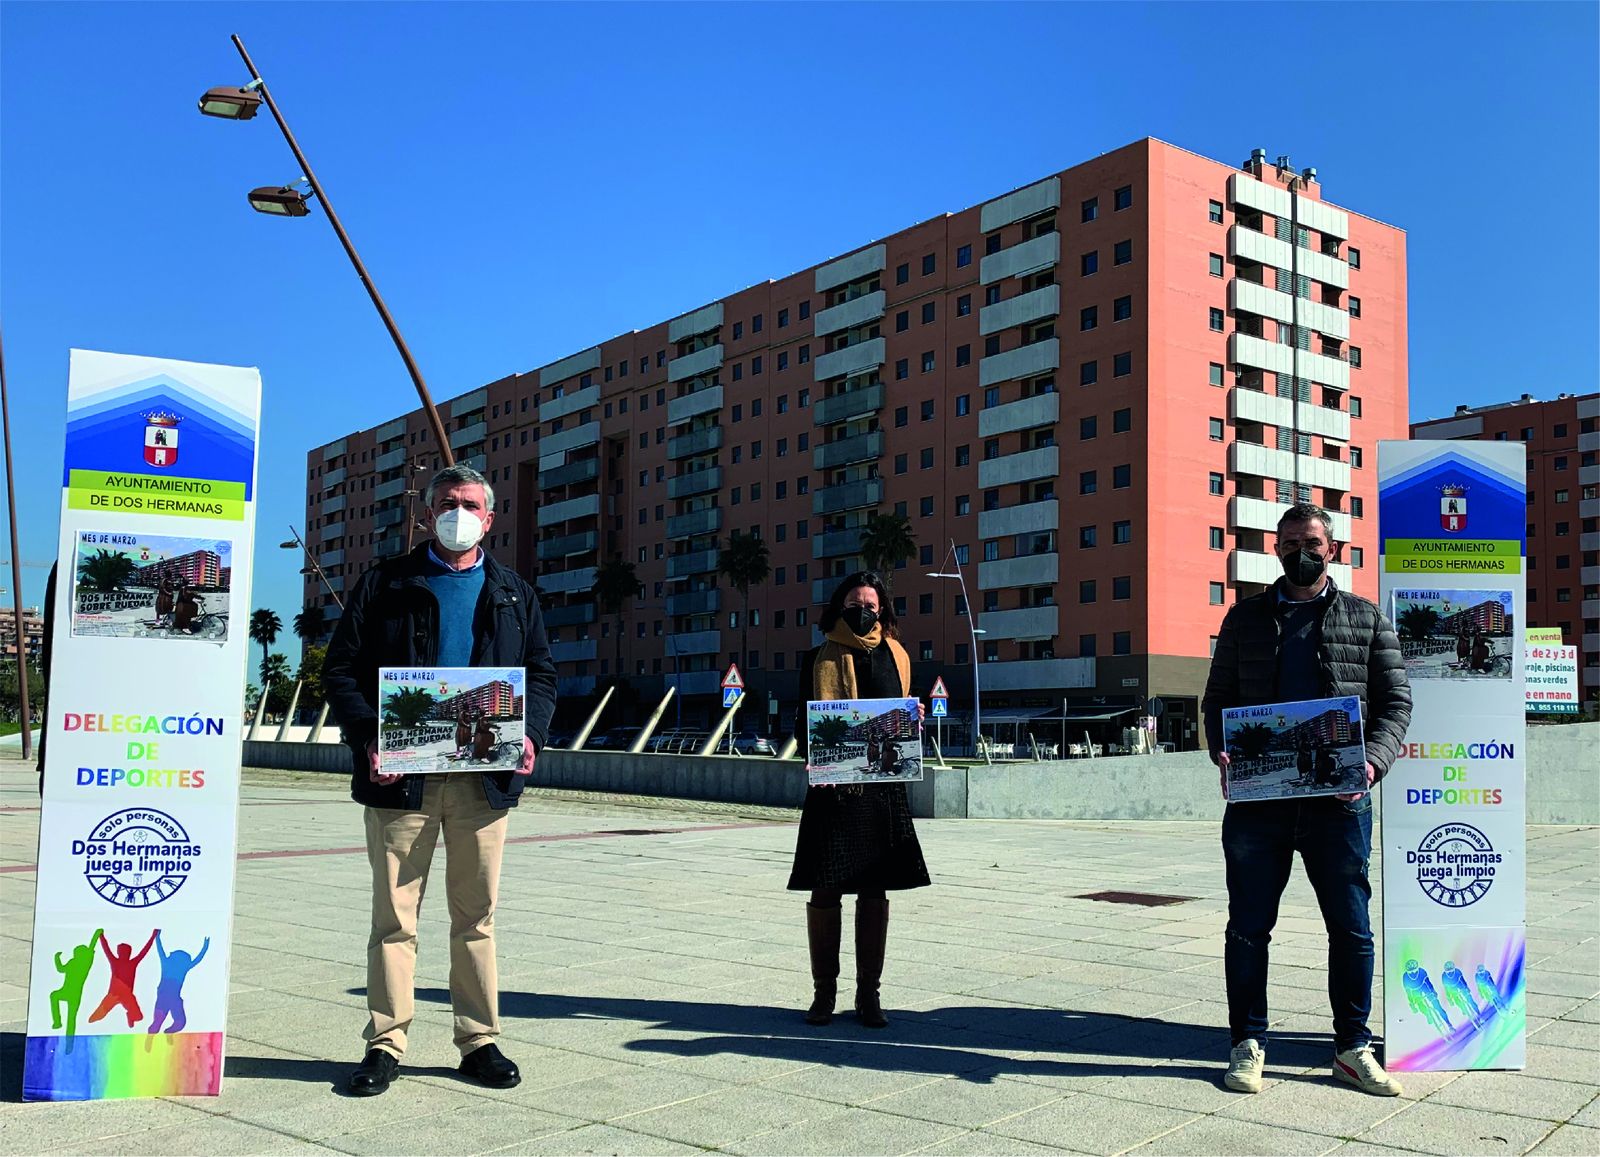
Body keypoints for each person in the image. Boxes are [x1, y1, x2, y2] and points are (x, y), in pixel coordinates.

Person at [323, 464, 557, 1098]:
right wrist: (369, 736)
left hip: (484, 779)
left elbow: (540, 673)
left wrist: (530, 732)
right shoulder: (386, 583)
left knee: (476, 917)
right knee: (394, 919)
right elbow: (339, 671)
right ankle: (385, 1042)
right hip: (402, 780)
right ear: (427, 514)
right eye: (447, 503)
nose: (459, 512)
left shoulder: (514, 592)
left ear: (489, 517)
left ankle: (478, 1039)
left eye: (470, 504)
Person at [1203, 503, 1411, 1097]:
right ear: (1276, 549)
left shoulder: (1366, 619)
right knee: (1247, 927)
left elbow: (1396, 702)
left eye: (1313, 542)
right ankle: (1247, 1042)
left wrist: (1371, 762)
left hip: (1339, 804)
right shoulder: (1242, 620)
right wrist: (1221, 748)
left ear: (1333, 550)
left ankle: (1351, 1047)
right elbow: (1215, 700)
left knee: (1351, 928)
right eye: (1291, 541)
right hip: (1257, 806)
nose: (1302, 551)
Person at [788, 571, 929, 1029]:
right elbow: (800, 727)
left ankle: (869, 995)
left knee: (875, 891)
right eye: (855, 602)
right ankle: (822, 994)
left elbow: (902, 717)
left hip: (883, 792)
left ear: (883, 611)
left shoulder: (899, 657)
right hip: (833, 792)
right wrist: (821, 749)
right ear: (838, 607)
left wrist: (914, 718)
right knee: (824, 889)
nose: (863, 610)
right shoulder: (817, 658)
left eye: (871, 604)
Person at [87, 928, 158, 1027]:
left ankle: (130, 1016)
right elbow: (106, 949)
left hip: (124, 994)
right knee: (96, 1016)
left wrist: (101, 936)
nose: (124, 954)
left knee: (138, 1017)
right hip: (115, 993)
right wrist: (101, 936)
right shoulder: (120, 962)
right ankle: (130, 1015)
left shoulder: (130, 963)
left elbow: (106, 948)